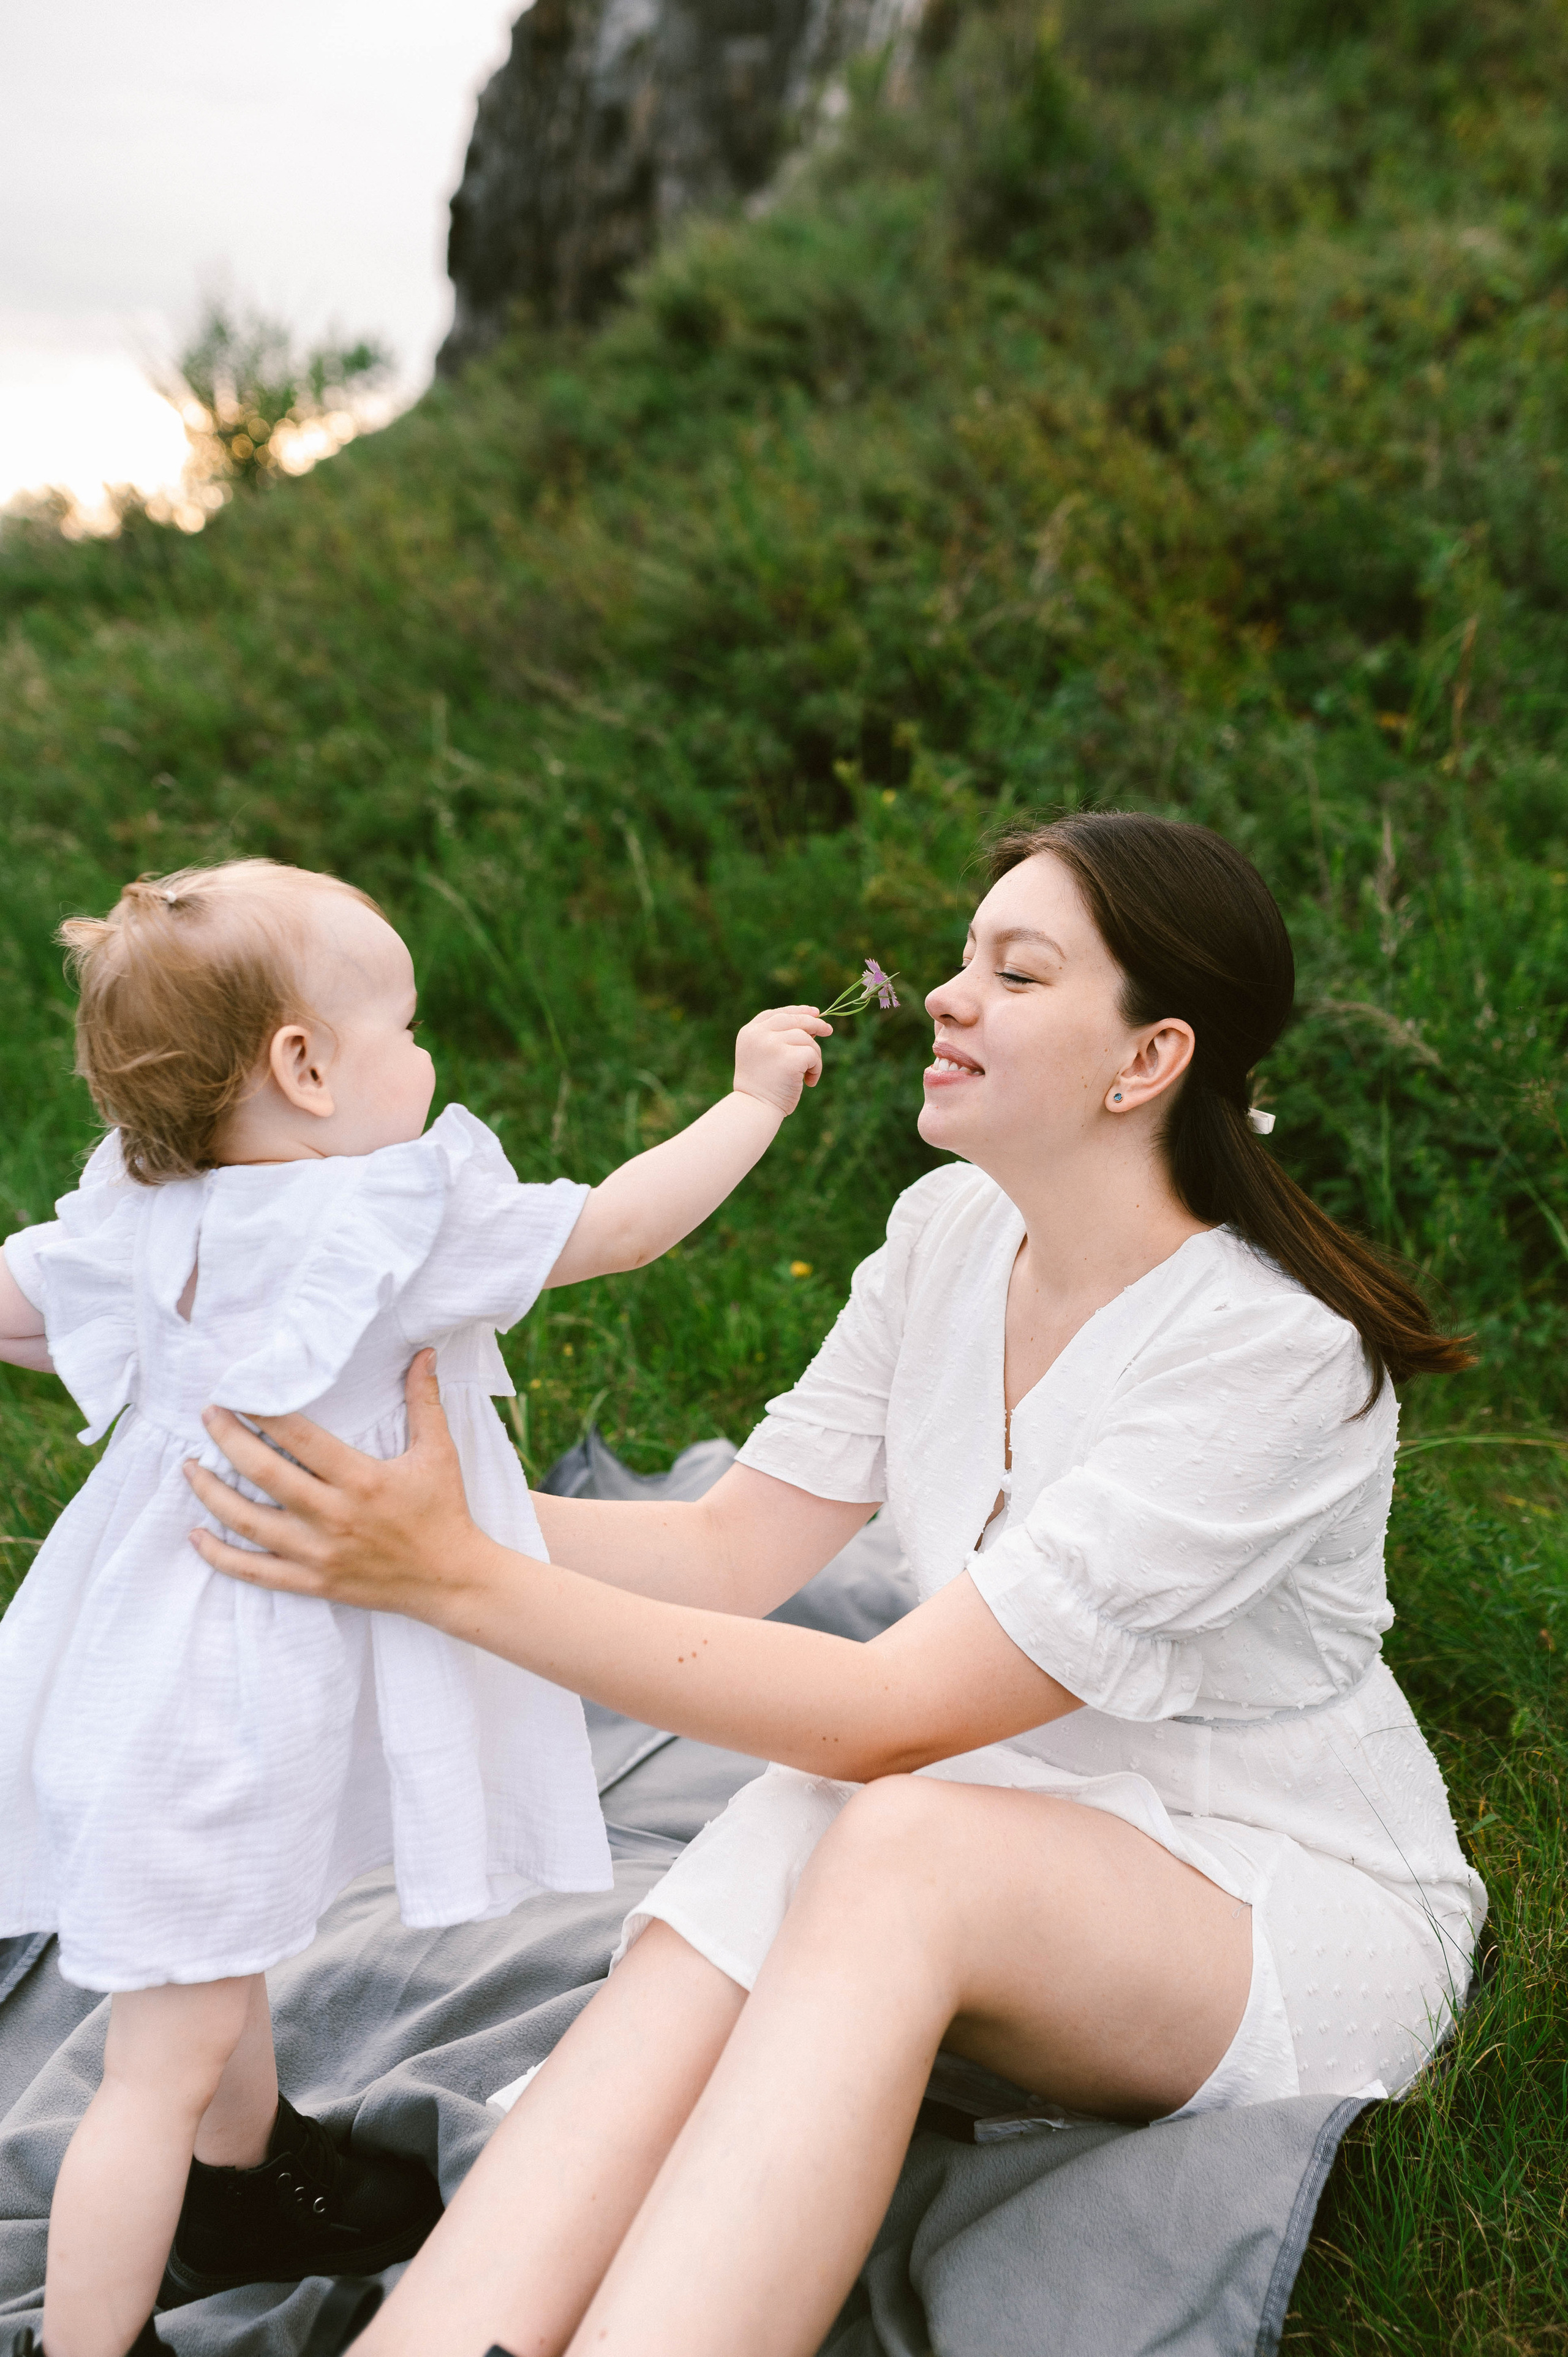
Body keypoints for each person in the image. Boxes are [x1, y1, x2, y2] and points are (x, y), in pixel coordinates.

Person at [183, 814, 1487, 2357]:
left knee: (887, 1826)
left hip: (1264, 1892)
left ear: (1146, 1063)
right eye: (959, 959)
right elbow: (729, 1548)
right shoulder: (948, 1233)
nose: (944, 995)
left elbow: (886, 1714)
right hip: (1005, 1812)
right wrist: (403, 1511)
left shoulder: (1270, 1354)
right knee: (794, 1819)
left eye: (1015, 970)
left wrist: (453, 1575)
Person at [0, 858, 830, 2357]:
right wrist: (753, 1100)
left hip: (140, 1667)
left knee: (218, 1963)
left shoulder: (141, 1207)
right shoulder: (382, 1212)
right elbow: (622, 1226)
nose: (429, 1058)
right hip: (229, 1705)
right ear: (306, 1070)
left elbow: (16, 1310)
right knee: (151, 2069)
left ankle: (251, 2181)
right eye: (406, 1024)